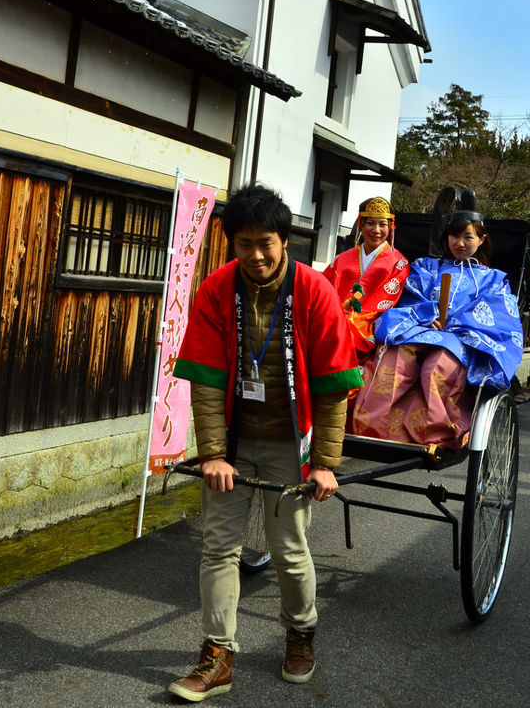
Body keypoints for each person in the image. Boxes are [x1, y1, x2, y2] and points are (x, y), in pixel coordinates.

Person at [168, 183, 363, 702]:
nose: (255, 255)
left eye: (267, 243)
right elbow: (206, 380)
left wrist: (325, 462)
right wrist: (211, 453)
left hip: (287, 439)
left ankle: (300, 634)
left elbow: (331, 385)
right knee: (217, 549)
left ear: (285, 240)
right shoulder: (216, 288)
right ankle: (217, 656)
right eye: (244, 243)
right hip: (233, 437)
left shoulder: (314, 290)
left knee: (289, 550)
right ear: (231, 243)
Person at [352, 208, 524, 449]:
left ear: (482, 239)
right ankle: (373, 427)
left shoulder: (494, 280)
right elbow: (411, 294)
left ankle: (436, 434)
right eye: (454, 236)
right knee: (396, 360)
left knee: (436, 368)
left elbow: (496, 315)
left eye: (468, 237)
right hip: (419, 329)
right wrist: (425, 315)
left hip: (461, 338)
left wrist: (455, 325)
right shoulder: (427, 266)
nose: (460, 243)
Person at [322, 196, 409, 362]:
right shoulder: (342, 258)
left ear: (391, 227)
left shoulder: (399, 263)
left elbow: (387, 301)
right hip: (335, 317)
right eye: (370, 223)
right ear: (360, 225)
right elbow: (323, 288)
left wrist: (349, 317)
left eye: (382, 224)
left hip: (372, 324)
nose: (376, 230)